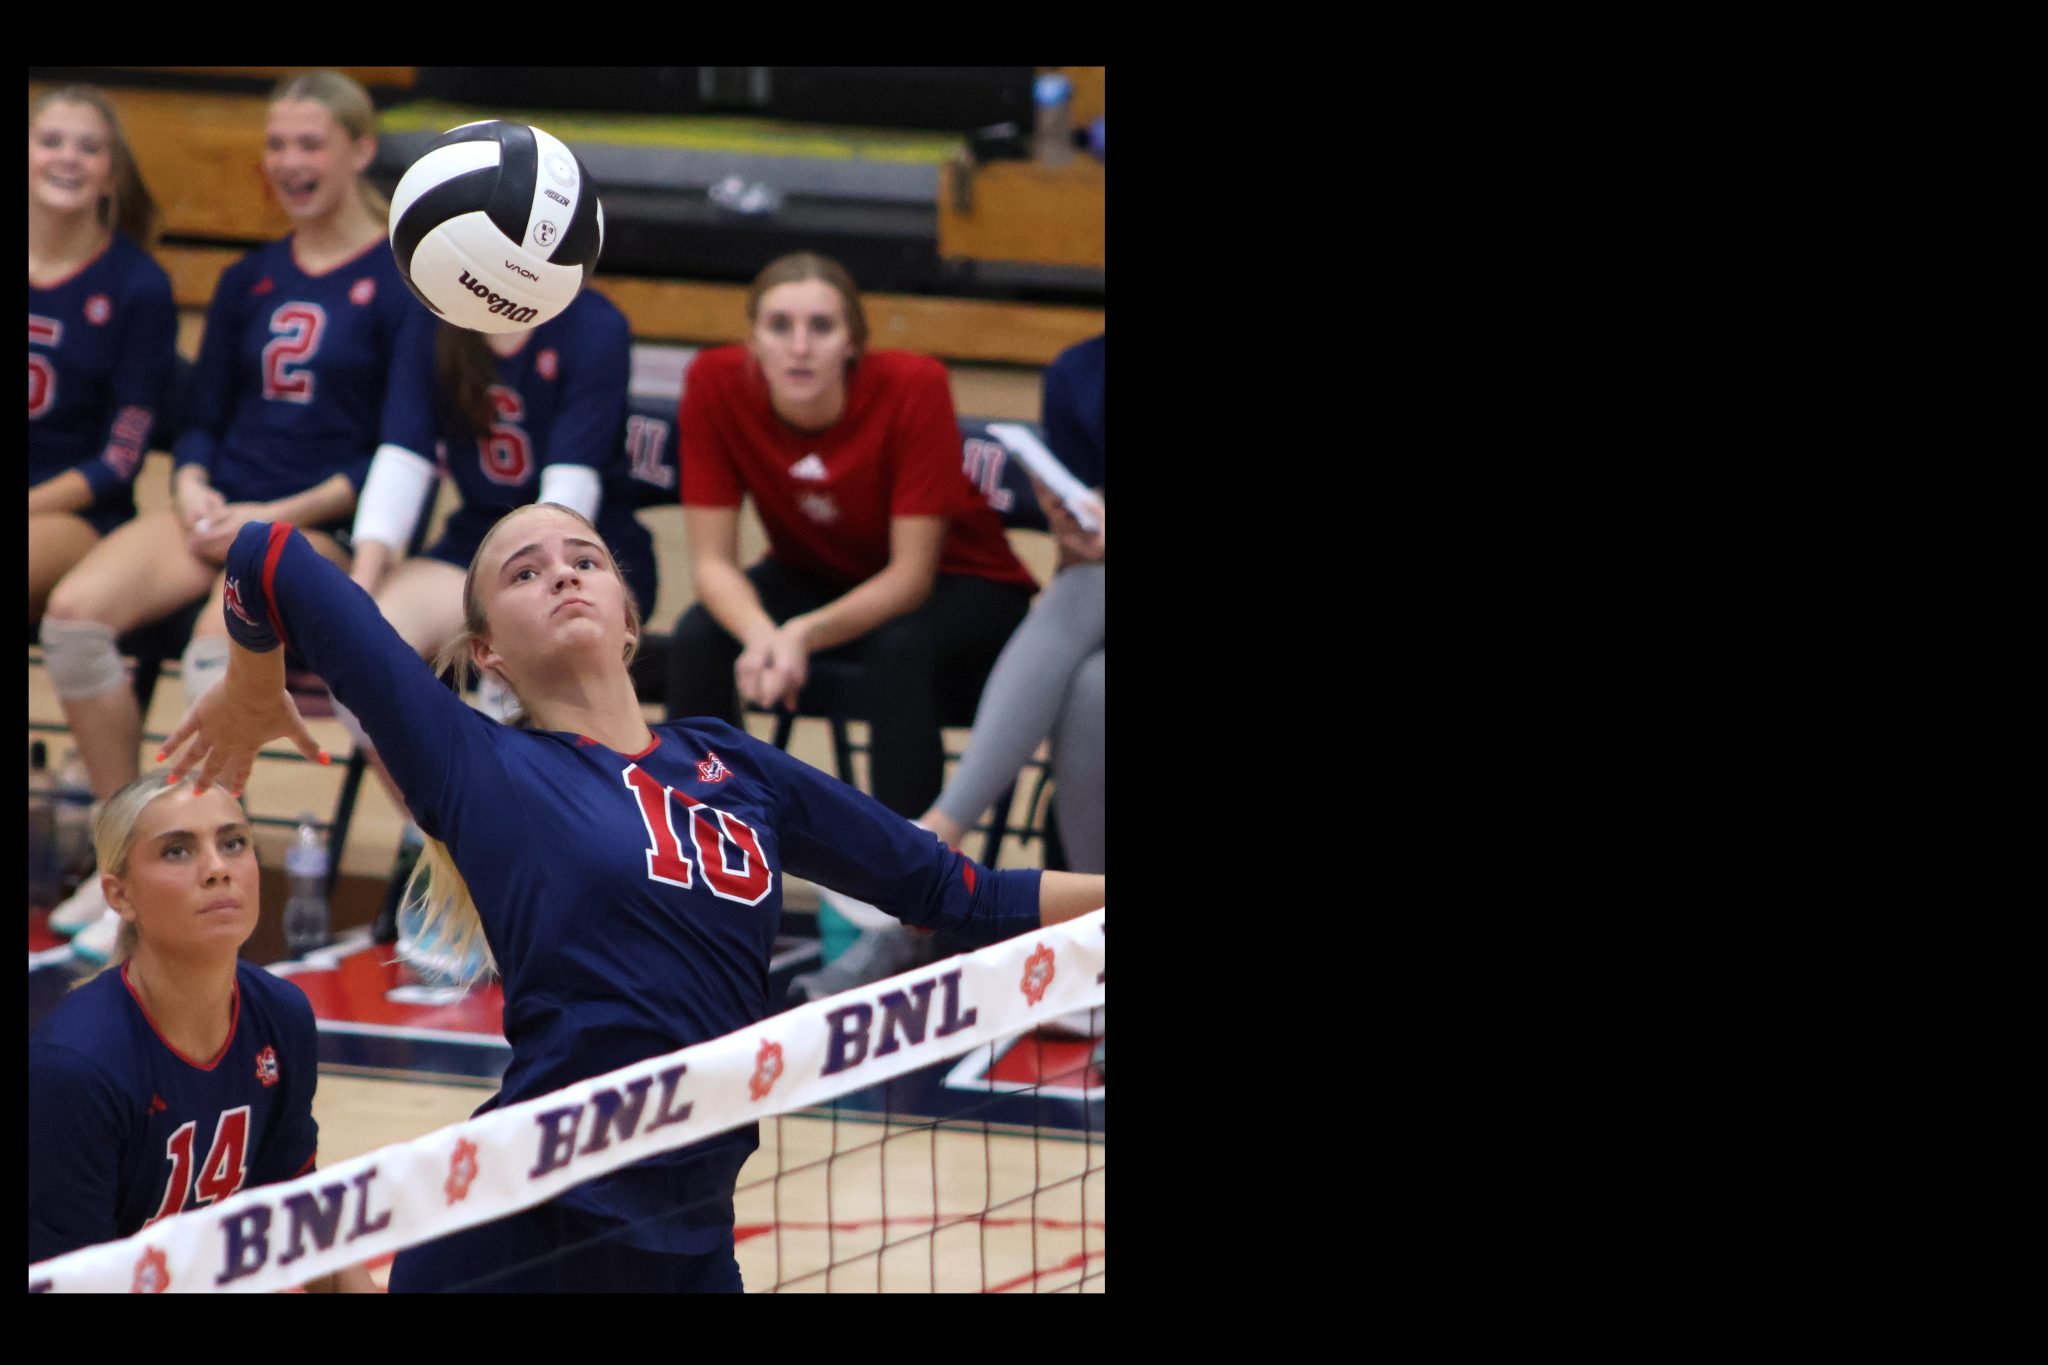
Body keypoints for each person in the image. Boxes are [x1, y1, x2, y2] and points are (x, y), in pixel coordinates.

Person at [160, 502, 1106, 1293]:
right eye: (525, 572)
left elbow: (957, 891)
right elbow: (267, 552)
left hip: (692, 1233)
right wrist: (251, 680)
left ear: (627, 619)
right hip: (526, 1221)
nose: (562, 575)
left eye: (585, 560)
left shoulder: (734, 765)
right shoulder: (478, 764)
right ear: (488, 652)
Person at [40, 71, 425, 956]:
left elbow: (393, 449)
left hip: (308, 523)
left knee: (221, 647)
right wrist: (191, 489)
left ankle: (201, 873)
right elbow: (202, 418)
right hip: (216, 507)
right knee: (74, 616)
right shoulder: (250, 277)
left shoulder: (400, 283)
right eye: (277, 145)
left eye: (309, 144)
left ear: (360, 151)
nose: (289, 162)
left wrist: (270, 511)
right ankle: (126, 852)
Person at [664, 251, 1037, 821]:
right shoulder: (714, 381)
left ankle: (907, 861)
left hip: (964, 579)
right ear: (753, 341)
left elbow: (911, 577)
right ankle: (709, 826)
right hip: (818, 569)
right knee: (698, 637)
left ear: (853, 343)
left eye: (821, 326)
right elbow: (712, 563)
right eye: (779, 326)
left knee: (899, 649)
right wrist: (764, 635)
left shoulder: (914, 384)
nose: (800, 346)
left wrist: (803, 634)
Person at [796, 334, 1107, 1000]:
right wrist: (1076, 534)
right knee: (1091, 688)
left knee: (1091, 594)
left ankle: (937, 834)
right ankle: (1094, 952)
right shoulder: (1079, 372)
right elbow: (1080, 562)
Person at [347, 289, 658, 939]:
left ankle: (533, 879)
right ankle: (445, 850)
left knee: (516, 667)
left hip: (585, 551)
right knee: (358, 663)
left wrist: (521, 594)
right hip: (472, 547)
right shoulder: (433, 319)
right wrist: (357, 592)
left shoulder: (594, 324)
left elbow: (571, 489)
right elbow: (402, 456)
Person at [27, 771, 376, 1292]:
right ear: (120, 896)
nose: (217, 869)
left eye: (233, 843)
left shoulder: (280, 1015)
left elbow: (297, 1216)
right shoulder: (76, 1068)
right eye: (178, 851)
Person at [29, 85, 178, 627]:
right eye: (51, 141)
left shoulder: (138, 286)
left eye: (89, 148)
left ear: (112, 175)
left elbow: (120, 458)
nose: (68, 157)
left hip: (79, 514)